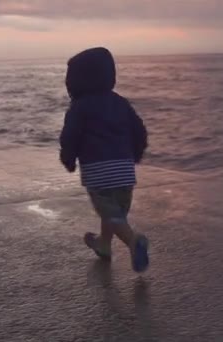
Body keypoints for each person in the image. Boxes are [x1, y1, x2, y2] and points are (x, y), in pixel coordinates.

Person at [59, 47, 149, 273]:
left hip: (98, 171)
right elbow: (139, 130)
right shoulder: (120, 102)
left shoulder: (79, 107)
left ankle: (133, 240)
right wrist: (136, 154)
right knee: (115, 211)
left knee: (110, 212)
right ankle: (103, 244)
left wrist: (68, 159)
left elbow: (70, 135)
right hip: (125, 170)